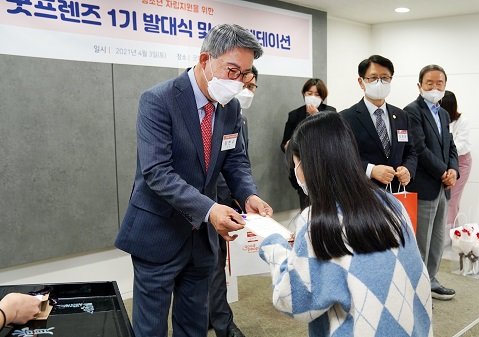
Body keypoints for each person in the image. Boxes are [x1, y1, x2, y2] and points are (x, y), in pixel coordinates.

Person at [114, 24, 273, 337]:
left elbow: (235, 159)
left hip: (201, 238)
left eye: (244, 74)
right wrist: (210, 210)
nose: (237, 81)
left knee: (194, 323)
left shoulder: (231, 107)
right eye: (232, 70)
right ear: (205, 59)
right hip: (158, 231)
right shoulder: (158, 100)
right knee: (151, 328)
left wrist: (247, 194)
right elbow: (157, 172)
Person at [260, 112, 433, 337]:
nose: (297, 172)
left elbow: (293, 301)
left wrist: (273, 246)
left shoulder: (319, 222)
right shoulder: (392, 204)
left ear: (309, 164)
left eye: (296, 164)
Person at [210, 65, 258, 337]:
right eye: (244, 83)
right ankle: (223, 325)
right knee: (212, 265)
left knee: (215, 265)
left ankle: (214, 317)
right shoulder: (211, 113)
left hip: (229, 199)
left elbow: (238, 162)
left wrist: (245, 195)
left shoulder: (237, 116)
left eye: (252, 86)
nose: (247, 90)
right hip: (208, 203)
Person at [404, 64, 459, 301]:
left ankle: (432, 279)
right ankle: (419, 285)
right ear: (420, 85)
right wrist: (442, 171)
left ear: (445, 86)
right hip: (424, 185)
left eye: (440, 84)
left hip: (442, 187)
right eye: (430, 83)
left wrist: (453, 170)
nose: (435, 88)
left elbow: (451, 146)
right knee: (421, 241)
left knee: (437, 239)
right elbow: (418, 147)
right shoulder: (412, 111)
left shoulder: (444, 113)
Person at [341, 55, 417, 193]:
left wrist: (408, 169)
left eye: (385, 78)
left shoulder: (401, 116)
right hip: (363, 193)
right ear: (361, 82)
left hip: (396, 193)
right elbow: (342, 157)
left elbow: (411, 151)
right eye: (373, 78)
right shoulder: (346, 118)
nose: (379, 82)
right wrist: (371, 170)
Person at [280, 78, 336, 209]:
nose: (312, 97)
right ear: (304, 94)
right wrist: (288, 146)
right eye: (309, 93)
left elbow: (333, 139)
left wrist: (317, 116)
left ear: (323, 97)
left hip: (326, 169)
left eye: (317, 94)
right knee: (306, 208)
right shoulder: (294, 115)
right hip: (302, 170)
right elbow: (283, 143)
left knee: (327, 209)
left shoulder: (330, 112)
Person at [441, 91, 472, 234]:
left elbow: (461, 146)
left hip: (461, 163)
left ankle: (449, 234)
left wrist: (443, 149)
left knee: (452, 199)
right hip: (443, 163)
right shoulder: (439, 119)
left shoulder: (462, 121)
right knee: (445, 200)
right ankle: (454, 234)